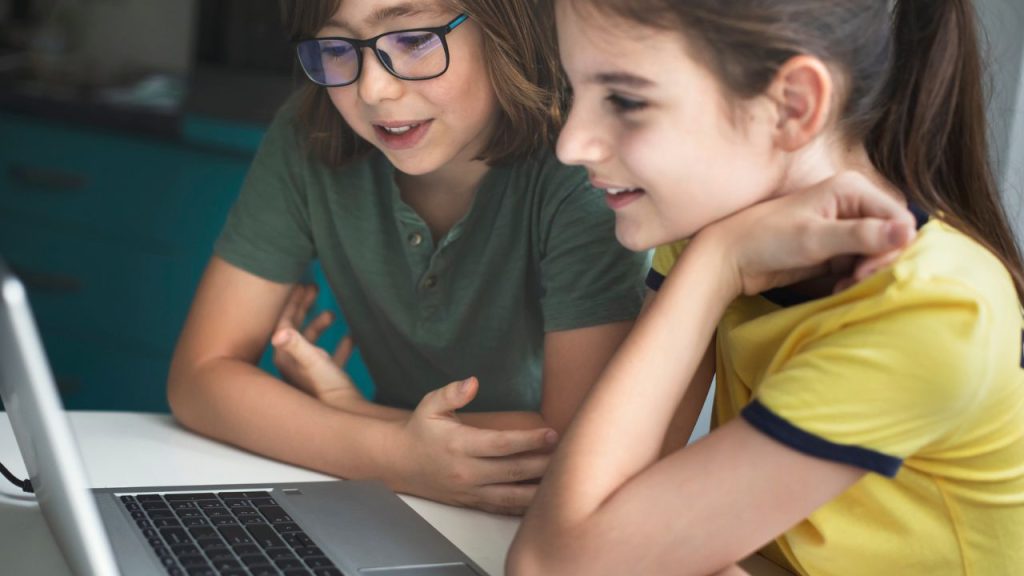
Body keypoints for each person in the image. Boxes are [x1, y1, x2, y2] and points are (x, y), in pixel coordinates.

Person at [508, 0, 1024, 574]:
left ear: (792, 106)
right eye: (575, 89)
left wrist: (716, 265)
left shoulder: (933, 309)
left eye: (626, 100)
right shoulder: (710, 218)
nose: (571, 144)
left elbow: (551, 564)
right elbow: (599, 502)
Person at [167, 0, 650, 516]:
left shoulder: (582, 167)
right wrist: (394, 456)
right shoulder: (309, 136)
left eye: (415, 41)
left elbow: (575, 443)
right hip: (402, 501)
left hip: (535, 520)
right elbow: (197, 379)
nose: (373, 90)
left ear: (508, 27)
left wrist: (352, 418)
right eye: (335, 48)